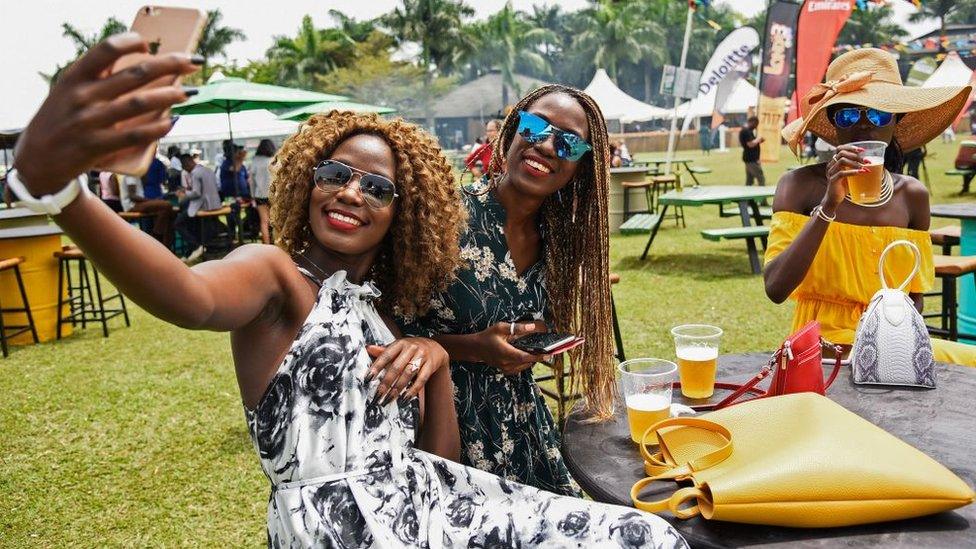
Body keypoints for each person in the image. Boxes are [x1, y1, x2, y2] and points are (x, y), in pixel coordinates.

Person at [8, 35, 687, 548]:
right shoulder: (277, 278)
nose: (353, 192)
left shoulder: (380, 312)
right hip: (335, 529)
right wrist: (57, 191)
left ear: (405, 216)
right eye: (337, 173)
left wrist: (441, 360)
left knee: (651, 535)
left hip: (434, 509)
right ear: (308, 180)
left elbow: (436, 468)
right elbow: (189, 295)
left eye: (380, 188)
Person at [400, 85, 618, 497]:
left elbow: (539, 319)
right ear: (513, 129)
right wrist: (474, 347)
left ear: (579, 166)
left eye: (569, 143)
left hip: (521, 429)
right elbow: (382, 333)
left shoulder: (561, 241)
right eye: (536, 127)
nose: (547, 146)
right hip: (437, 428)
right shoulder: (444, 220)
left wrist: (531, 337)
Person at [764, 47, 975, 366]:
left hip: (891, 341)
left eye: (878, 114)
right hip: (824, 344)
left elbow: (913, 297)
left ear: (896, 123)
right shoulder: (799, 186)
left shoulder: (912, 195)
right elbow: (776, 289)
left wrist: (897, 342)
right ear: (834, 124)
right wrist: (828, 206)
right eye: (848, 114)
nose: (864, 125)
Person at [174, 151, 221, 263]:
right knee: (190, 219)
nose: (184, 169)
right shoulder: (208, 170)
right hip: (215, 204)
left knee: (178, 223)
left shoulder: (195, 173)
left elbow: (197, 193)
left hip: (203, 206)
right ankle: (194, 247)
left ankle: (195, 245)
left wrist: (184, 194)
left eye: (183, 166)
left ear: (188, 163)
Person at [121, 164, 176, 250]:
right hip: (132, 205)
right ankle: (156, 236)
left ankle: (165, 245)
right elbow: (133, 196)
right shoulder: (131, 175)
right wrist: (151, 201)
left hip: (138, 204)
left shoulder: (137, 175)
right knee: (167, 205)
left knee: (167, 212)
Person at [249, 139, 274, 244]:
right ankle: (278, 244)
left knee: (264, 222)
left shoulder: (255, 162)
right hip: (274, 194)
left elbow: (251, 181)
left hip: (260, 195)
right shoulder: (274, 160)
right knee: (276, 221)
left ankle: (267, 246)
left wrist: (252, 196)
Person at [739, 116, 765, 186]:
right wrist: (758, 139)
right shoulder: (746, 131)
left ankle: (748, 196)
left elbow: (752, 142)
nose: (756, 126)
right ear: (752, 122)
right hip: (751, 159)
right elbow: (750, 144)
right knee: (761, 177)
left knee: (749, 180)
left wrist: (758, 141)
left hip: (750, 158)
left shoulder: (748, 130)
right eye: (756, 124)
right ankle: (762, 196)